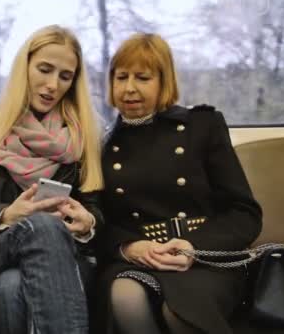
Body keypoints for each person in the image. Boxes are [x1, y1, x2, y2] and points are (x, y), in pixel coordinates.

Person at [94, 32, 273, 334]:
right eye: (121, 77)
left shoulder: (202, 126)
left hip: (204, 254)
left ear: (164, 82)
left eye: (143, 77)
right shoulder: (101, 145)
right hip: (139, 258)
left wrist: (194, 247)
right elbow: (99, 221)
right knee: (125, 297)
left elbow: (244, 213)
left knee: (182, 312)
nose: (129, 89)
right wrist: (129, 246)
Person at [0, 25, 104, 334]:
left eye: (65, 76)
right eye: (44, 69)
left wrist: (87, 223)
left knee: (11, 289)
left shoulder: (83, 137)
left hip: (66, 261)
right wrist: (9, 215)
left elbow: (96, 210)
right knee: (40, 224)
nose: (52, 84)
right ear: (24, 67)